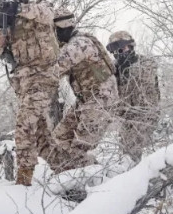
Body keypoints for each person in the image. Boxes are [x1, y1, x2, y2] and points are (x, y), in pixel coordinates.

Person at [0, 0, 60, 186]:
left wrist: (18, 9)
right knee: (41, 136)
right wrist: (3, 24)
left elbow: (47, 15)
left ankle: (24, 179)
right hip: (23, 82)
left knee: (24, 126)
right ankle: (68, 166)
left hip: (43, 76)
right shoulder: (7, 20)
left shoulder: (41, 7)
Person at [45, 10, 118, 173]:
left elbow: (54, 71)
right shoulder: (75, 42)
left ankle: (98, 179)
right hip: (86, 100)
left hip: (100, 100)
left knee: (78, 150)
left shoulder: (78, 44)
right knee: (58, 140)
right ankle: (68, 176)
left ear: (62, 28)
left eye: (53, 31)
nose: (53, 35)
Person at [106, 31, 160, 162]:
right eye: (115, 50)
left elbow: (143, 86)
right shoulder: (113, 68)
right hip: (125, 116)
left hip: (145, 114)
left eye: (122, 48)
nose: (119, 53)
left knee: (132, 150)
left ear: (131, 46)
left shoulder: (145, 63)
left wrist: (125, 71)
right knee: (125, 153)